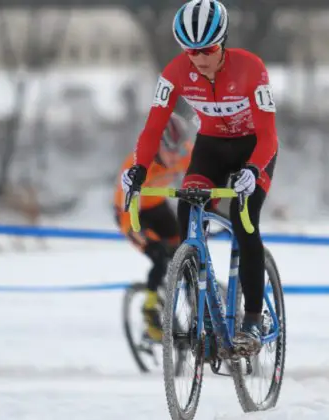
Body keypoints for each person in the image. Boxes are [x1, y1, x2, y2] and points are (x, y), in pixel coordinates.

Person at [120, 0, 278, 357]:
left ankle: (253, 317)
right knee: (187, 214)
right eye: (191, 51)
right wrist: (139, 169)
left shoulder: (251, 68)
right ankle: (203, 314)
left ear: (221, 42)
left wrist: (253, 171)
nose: (200, 59)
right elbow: (153, 127)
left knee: (244, 220)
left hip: (254, 150)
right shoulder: (175, 72)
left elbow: (269, 135)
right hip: (211, 148)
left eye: (207, 50)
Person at [114, 112, 193, 344]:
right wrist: (144, 238)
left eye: (180, 150)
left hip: (157, 205)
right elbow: (126, 209)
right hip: (131, 212)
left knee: (186, 246)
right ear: (157, 145)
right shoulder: (137, 164)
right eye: (171, 150)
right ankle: (150, 312)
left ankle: (189, 300)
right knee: (159, 255)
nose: (175, 156)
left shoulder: (183, 152)